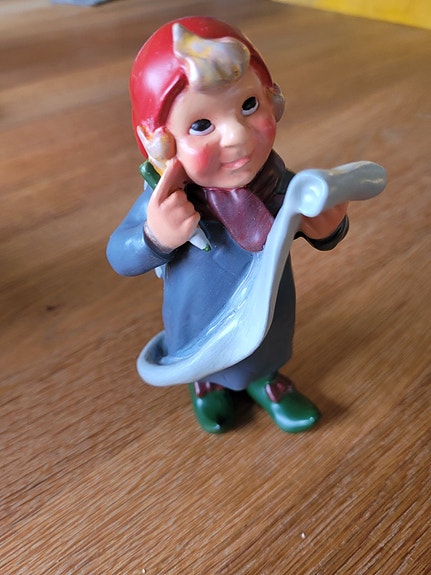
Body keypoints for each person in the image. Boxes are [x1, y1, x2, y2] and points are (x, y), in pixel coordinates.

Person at [107, 17, 383, 433]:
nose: (237, 135)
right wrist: (154, 237)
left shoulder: (281, 185)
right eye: (201, 125)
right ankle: (207, 382)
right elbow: (120, 254)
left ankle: (266, 380)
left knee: (268, 340)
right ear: (163, 142)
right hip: (197, 313)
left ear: (272, 100)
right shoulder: (165, 202)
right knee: (196, 343)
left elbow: (318, 218)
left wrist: (326, 227)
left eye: (249, 105)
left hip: (267, 305)